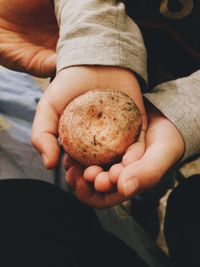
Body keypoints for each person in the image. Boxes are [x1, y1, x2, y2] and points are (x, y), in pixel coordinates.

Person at [0, 0, 199, 266]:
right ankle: (145, 202)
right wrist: (94, 51)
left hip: (183, 114)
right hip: (113, 56)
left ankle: (152, 195)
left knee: (180, 192)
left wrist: (181, 114)